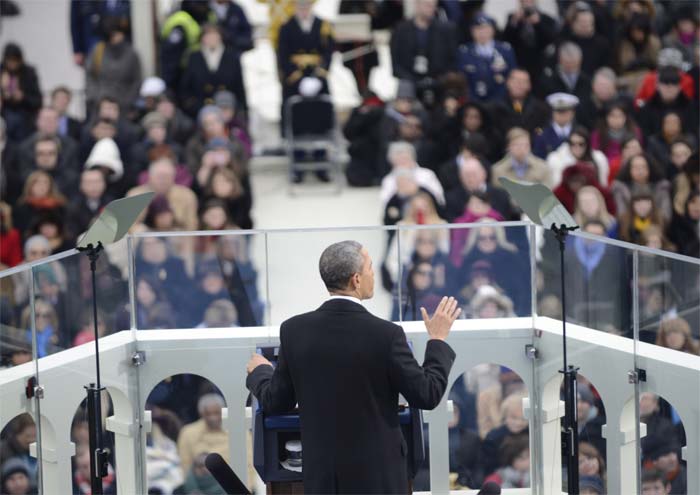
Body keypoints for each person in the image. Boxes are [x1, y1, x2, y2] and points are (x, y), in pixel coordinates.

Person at [246, 240, 460, 494]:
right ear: (356, 279)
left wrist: (260, 372)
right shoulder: (387, 335)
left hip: (324, 478)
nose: (373, 273)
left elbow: (276, 401)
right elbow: (427, 393)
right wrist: (436, 340)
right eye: (370, 267)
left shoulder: (294, 331)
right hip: (380, 479)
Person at [390, 0, 457, 104]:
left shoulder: (445, 29)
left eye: (433, 6)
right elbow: (395, 64)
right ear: (417, 5)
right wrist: (414, 81)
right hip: (409, 85)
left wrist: (439, 80)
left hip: (439, 86)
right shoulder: (401, 29)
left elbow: (452, 60)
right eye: (427, 5)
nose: (431, 9)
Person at [179, 23, 247, 119]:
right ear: (202, 38)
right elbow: (186, 87)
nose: (212, 39)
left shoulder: (231, 57)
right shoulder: (194, 57)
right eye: (208, 35)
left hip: (228, 111)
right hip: (201, 111)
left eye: (214, 35)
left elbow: (239, 86)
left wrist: (239, 108)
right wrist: (194, 107)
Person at [85, 16, 142, 114]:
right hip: (100, 104)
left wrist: (128, 101)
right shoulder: (98, 51)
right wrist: (95, 96)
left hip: (124, 106)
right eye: (112, 35)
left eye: (118, 33)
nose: (115, 38)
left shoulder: (131, 54)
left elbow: (137, 81)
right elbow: (90, 76)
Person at [458, 13, 516, 102]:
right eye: (478, 28)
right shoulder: (464, 51)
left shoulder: (505, 50)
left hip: (500, 102)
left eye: (486, 28)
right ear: (472, 31)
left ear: (493, 30)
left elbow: (512, 76)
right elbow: (462, 79)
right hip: (472, 101)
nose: (482, 32)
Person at [502, 0, 558, 81]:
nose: (527, 3)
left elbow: (550, 40)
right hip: (518, 62)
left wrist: (538, 23)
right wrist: (514, 21)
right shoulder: (512, 17)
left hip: (539, 64)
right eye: (524, 1)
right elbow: (505, 39)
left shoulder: (546, 18)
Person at [487, 68, 550, 137]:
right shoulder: (494, 108)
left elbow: (542, 131)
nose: (519, 84)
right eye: (515, 80)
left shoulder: (541, 109)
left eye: (523, 81)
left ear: (529, 85)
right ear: (507, 82)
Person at [177, 393, 230, 474]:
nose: (213, 418)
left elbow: (248, 462)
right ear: (201, 413)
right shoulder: (188, 433)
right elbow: (185, 465)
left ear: (223, 412)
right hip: (202, 484)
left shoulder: (236, 431)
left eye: (216, 413)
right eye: (208, 414)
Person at [0, 43, 42, 141]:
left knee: (18, 121)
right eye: (9, 61)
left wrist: (22, 97)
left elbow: (37, 101)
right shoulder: (1, 72)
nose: (12, 64)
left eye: (15, 61)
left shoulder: (28, 73)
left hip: (25, 115)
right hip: (4, 114)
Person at [532, 92, 579, 160]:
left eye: (565, 111)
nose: (562, 115)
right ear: (552, 113)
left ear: (572, 113)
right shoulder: (542, 135)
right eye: (559, 112)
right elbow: (538, 159)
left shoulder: (580, 132)